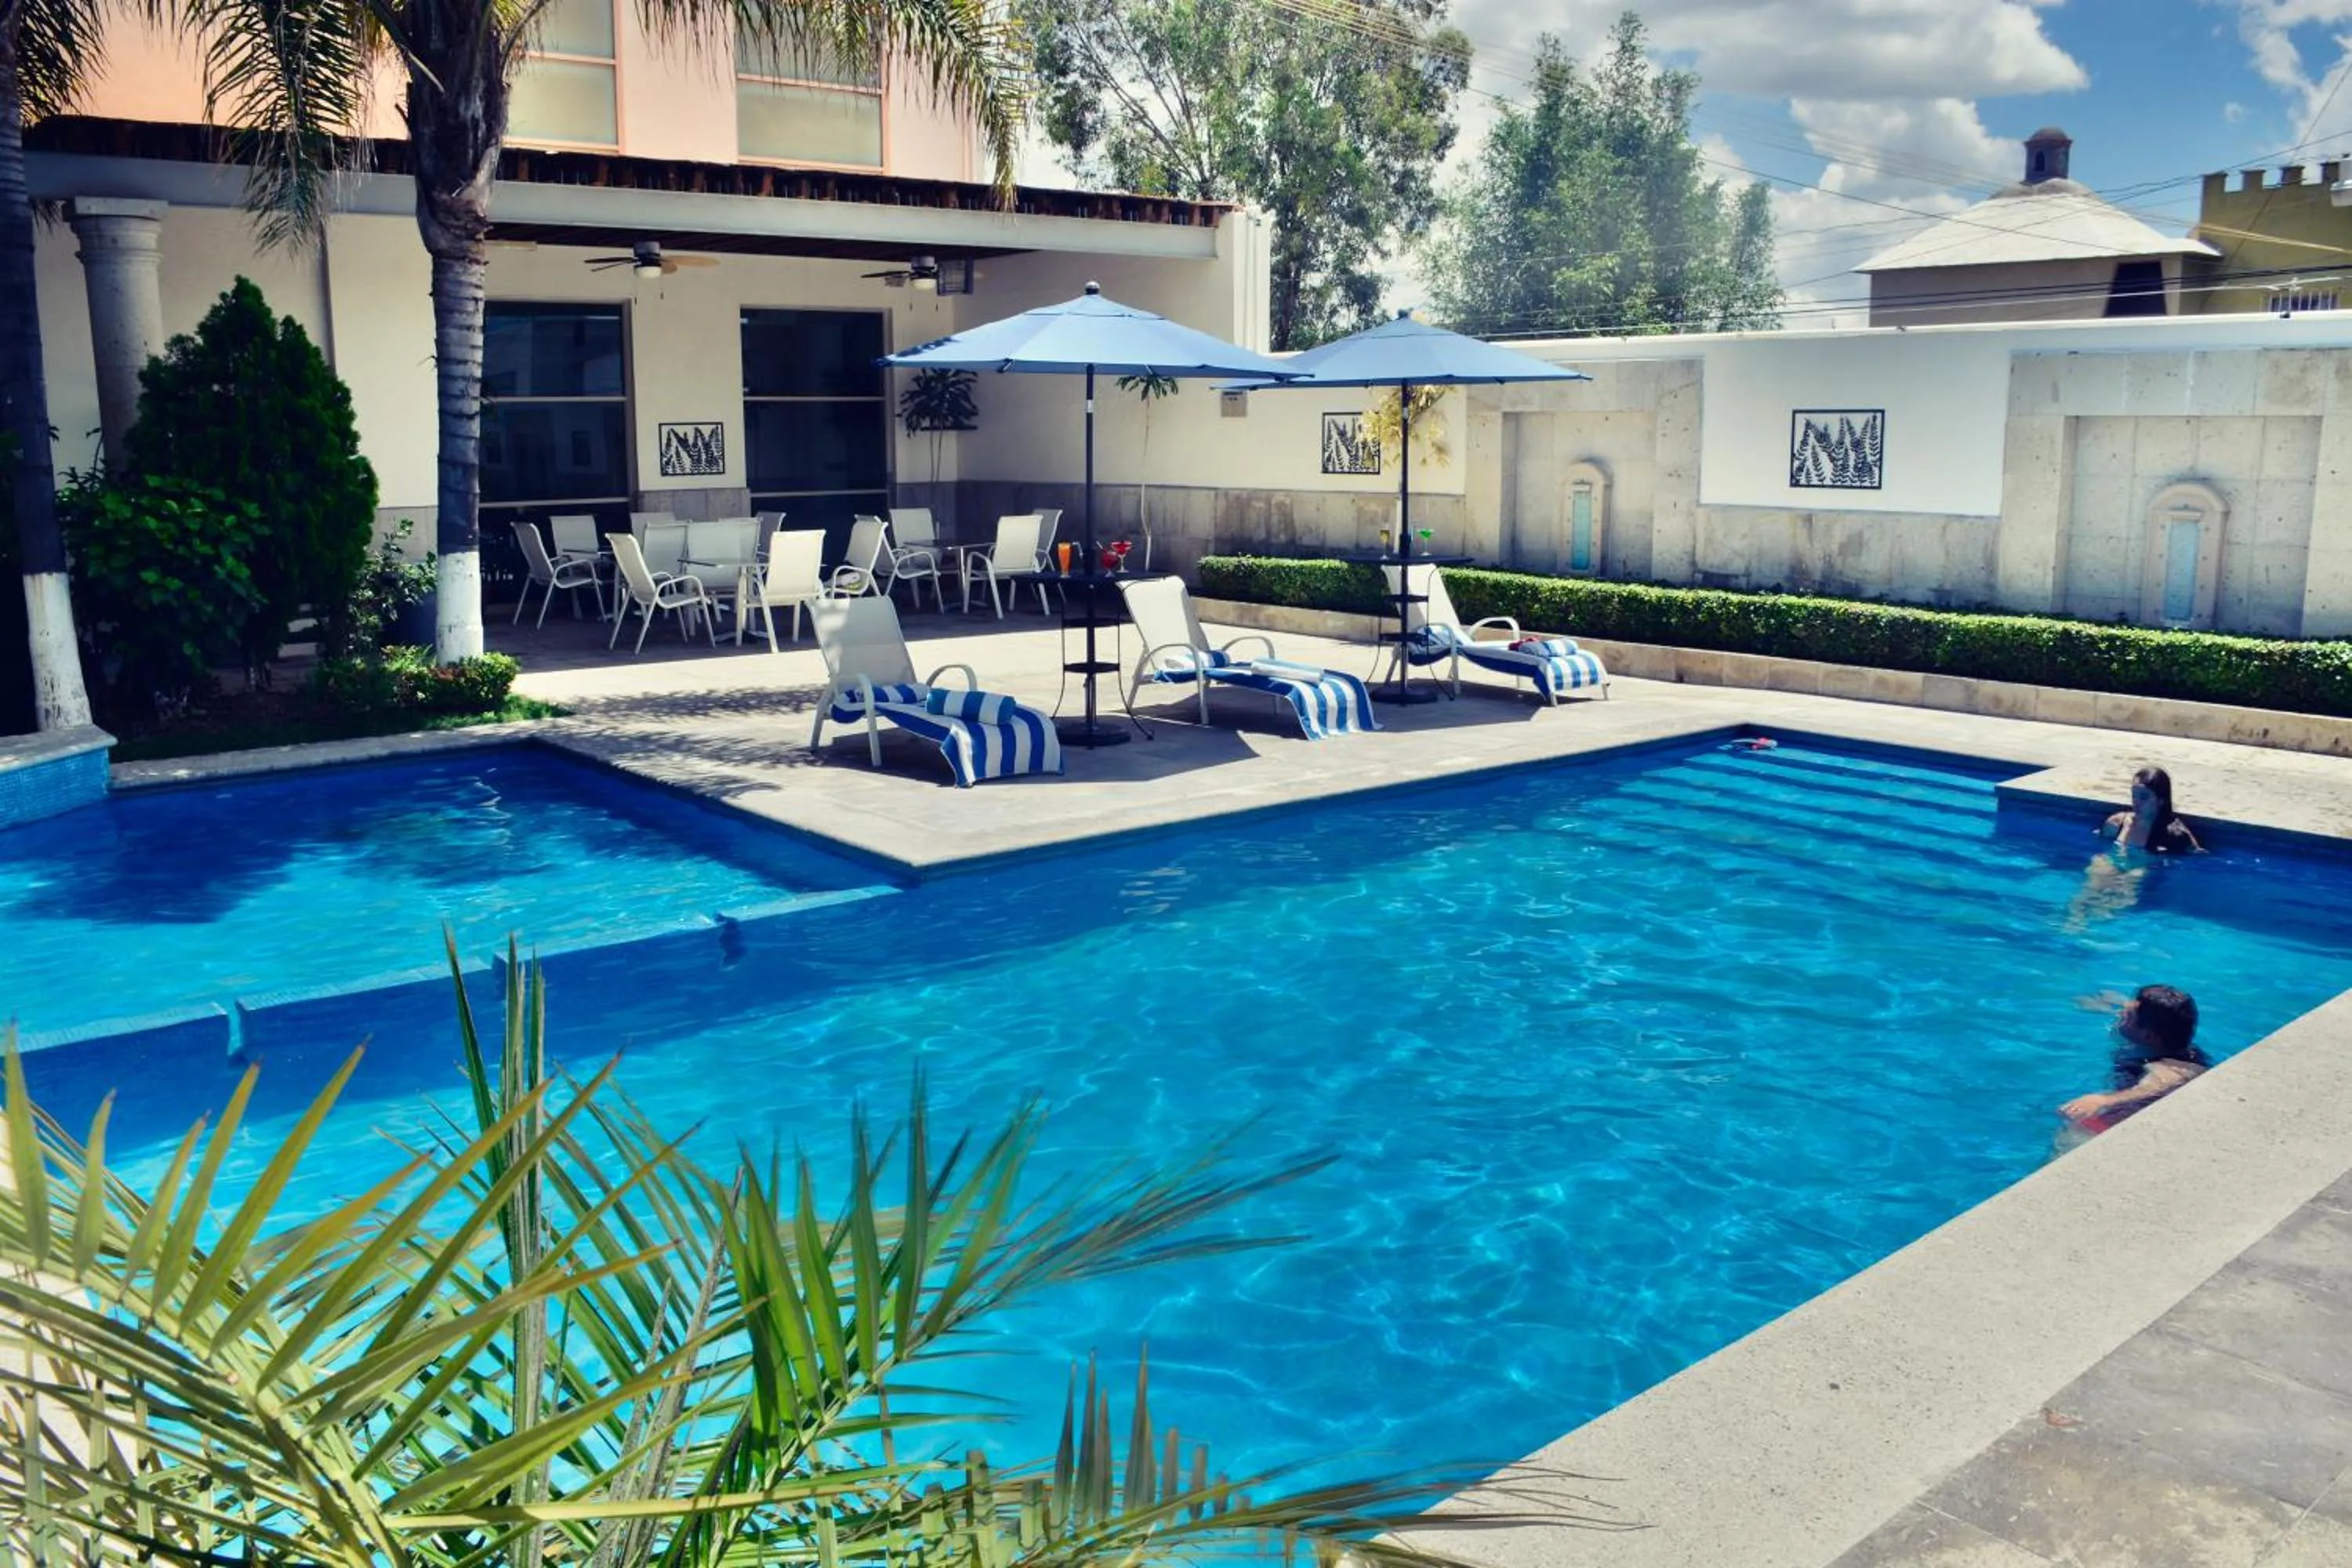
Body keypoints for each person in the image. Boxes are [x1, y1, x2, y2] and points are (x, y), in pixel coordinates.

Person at [2058, 985, 2209, 1135]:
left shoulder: (2169, 1069)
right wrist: (2111, 1007)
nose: (2121, 1014)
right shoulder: (2164, 1037)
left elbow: (2155, 1087)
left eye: (2128, 1016)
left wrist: (2102, 1100)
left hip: (2140, 1116)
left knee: (2074, 1131)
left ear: (2148, 1037)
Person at [2096, 766, 2203, 855]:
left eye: (2144, 797)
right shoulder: (2117, 823)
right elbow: (2100, 847)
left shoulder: (2174, 834)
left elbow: (2198, 857)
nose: (2136, 802)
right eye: (2134, 796)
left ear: (2161, 800)